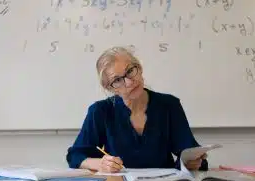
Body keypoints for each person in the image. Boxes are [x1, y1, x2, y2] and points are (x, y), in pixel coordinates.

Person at [66, 46, 208, 173]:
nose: (129, 82)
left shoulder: (169, 105)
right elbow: (75, 156)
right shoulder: (100, 111)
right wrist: (99, 164)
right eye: (117, 80)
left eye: (130, 71)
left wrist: (193, 162)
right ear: (109, 88)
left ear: (139, 68)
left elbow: (189, 152)